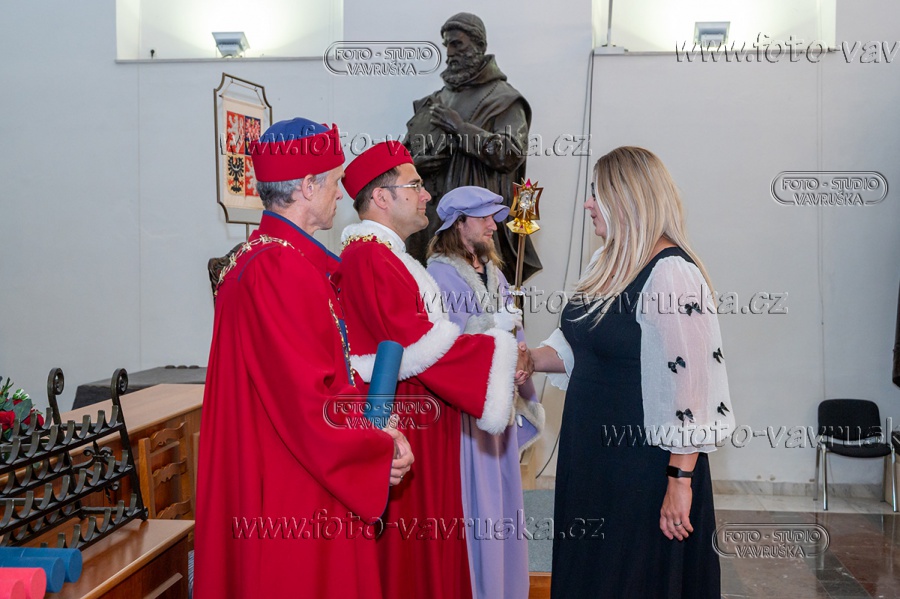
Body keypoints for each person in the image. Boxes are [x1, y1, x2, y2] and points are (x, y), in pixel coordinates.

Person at [194, 118, 413, 599]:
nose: (340, 194)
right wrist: (374, 449)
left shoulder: (270, 259)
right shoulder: (278, 269)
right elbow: (307, 405)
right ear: (307, 186)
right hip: (293, 485)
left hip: (285, 467)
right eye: (334, 181)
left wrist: (372, 422)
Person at [525, 146, 736, 598]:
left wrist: (679, 481)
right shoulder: (606, 262)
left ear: (626, 199)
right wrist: (526, 359)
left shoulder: (672, 273)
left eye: (596, 193)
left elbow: (693, 384)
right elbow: (581, 349)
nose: (587, 204)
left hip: (641, 467)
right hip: (591, 459)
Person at [333, 142, 520, 599]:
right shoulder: (370, 257)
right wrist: (496, 351)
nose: (427, 195)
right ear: (382, 197)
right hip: (409, 419)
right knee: (414, 553)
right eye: (415, 185)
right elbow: (415, 342)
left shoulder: (388, 255)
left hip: (422, 415)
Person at [425, 186, 544, 599]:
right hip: (469, 414)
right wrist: (495, 327)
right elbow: (451, 344)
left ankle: (506, 588)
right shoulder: (439, 276)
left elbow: (514, 332)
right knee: (479, 504)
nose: (494, 225)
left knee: (505, 499)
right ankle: (481, 586)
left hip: (501, 406)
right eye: (484, 218)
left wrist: (522, 361)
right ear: (458, 224)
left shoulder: (494, 272)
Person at [404, 12, 541, 283]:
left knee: (482, 297)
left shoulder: (504, 99)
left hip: (477, 224)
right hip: (430, 222)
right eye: (447, 45)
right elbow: (402, 158)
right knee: (430, 297)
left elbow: (510, 153)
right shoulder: (435, 101)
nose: (449, 52)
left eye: (457, 44)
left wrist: (460, 128)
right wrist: (418, 164)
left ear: (479, 45)